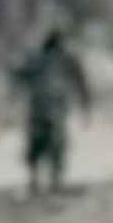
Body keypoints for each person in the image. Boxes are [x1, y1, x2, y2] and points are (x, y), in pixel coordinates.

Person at [12, 29, 91, 195]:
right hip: (52, 110)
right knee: (51, 144)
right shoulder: (66, 60)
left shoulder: (40, 59)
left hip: (42, 110)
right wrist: (85, 109)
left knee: (40, 144)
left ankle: (39, 181)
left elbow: (19, 77)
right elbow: (82, 86)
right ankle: (49, 181)